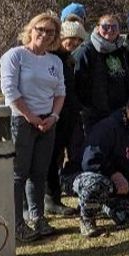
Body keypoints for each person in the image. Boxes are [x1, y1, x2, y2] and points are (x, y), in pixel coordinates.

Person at [0, 12, 66, 241]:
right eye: (40, 29)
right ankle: (16, 223)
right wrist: (30, 116)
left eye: (50, 31)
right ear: (31, 29)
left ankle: (37, 218)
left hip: (47, 122)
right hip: (21, 120)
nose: (44, 34)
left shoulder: (55, 61)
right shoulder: (15, 56)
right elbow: (10, 91)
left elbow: (60, 93)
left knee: (39, 173)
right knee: (19, 173)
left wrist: (54, 117)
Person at [73, 93, 129, 237]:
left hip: (123, 190)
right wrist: (114, 173)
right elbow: (90, 160)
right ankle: (87, 219)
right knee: (96, 184)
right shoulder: (109, 127)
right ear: (127, 107)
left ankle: (105, 205)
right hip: (90, 176)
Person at [48, 17, 86, 217]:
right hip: (54, 113)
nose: (74, 45)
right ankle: (50, 198)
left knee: (70, 155)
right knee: (53, 157)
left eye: (79, 42)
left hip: (71, 113)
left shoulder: (73, 59)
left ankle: (61, 191)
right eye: (70, 40)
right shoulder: (53, 58)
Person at [74, 14, 129, 130]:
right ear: (97, 28)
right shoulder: (86, 51)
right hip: (95, 115)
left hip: (121, 112)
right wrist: (87, 109)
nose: (110, 30)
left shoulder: (123, 50)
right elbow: (78, 83)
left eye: (114, 27)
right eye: (105, 27)